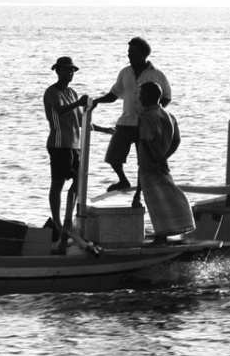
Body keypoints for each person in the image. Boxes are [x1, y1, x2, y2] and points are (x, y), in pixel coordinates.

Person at [90, 37, 172, 200]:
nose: (129, 55)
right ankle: (123, 180)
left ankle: (139, 194)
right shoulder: (125, 72)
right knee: (113, 156)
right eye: (129, 52)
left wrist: (155, 111)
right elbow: (114, 94)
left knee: (144, 162)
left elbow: (167, 97)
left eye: (133, 52)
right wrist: (97, 101)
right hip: (126, 121)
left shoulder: (157, 74)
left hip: (146, 123)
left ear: (143, 54)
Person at [43, 56, 110, 247]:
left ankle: (67, 219)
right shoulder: (52, 92)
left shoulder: (72, 92)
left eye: (71, 70)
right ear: (57, 71)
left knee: (79, 181)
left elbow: (81, 120)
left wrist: (105, 129)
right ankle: (57, 224)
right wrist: (78, 103)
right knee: (57, 183)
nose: (69, 73)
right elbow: (60, 110)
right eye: (66, 69)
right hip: (59, 144)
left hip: (75, 145)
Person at [136, 81, 195, 244]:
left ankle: (161, 237)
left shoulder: (148, 116)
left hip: (149, 166)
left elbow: (145, 141)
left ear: (150, 96)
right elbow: (176, 140)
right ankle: (169, 231)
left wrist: (155, 159)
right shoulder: (169, 115)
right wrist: (164, 157)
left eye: (142, 95)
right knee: (167, 196)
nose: (140, 98)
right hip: (162, 164)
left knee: (155, 202)